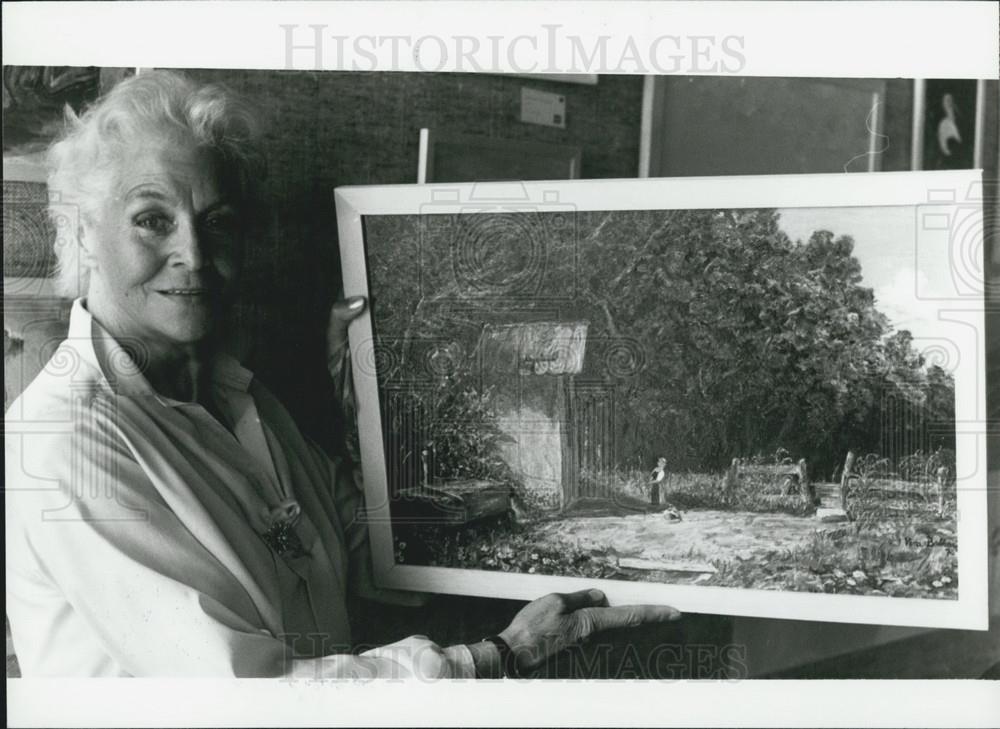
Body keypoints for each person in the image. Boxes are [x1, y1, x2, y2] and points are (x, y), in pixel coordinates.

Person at [4, 70, 680, 678]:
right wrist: (501, 655)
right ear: (82, 230)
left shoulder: (242, 401)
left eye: (217, 222)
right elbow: (248, 697)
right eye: (152, 220)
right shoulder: (63, 439)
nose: (195, 254)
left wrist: (368, 408)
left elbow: (365, 557)